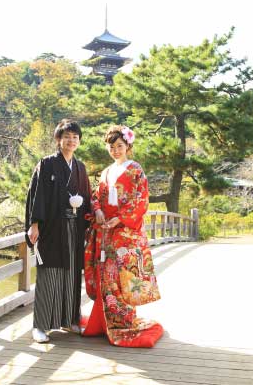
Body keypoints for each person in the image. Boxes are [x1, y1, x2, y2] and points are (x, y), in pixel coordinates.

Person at [83, 125, 163, 347]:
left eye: (120, 146)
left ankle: (124, 322)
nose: (116, 150)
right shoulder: (107, 171)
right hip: (106, 230)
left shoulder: (135, 169)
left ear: (128, 146)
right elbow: (97, 195)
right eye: (112, 146)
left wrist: (119, 219)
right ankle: (107, 321)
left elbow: (141, 200)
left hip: (126, 232)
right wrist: (98, 211)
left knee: (123, 276)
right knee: (106, 275)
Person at [25, 119, 91, 343]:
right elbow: (37, 195)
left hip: (74, 228)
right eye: (67, 137)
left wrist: (90, 219)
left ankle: (70, 320)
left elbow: (89, 199)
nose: (71, 141)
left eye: (75, 137)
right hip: (52, 228)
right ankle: (41, 325)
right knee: (49, 274)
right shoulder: (47, 164)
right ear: (58, 139)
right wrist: (34, 224)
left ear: (79, 141)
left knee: (72, 275)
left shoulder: (80, 168)